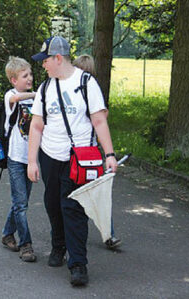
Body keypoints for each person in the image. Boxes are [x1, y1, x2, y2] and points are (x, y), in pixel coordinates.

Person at [28, 36, 118, 286]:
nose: (42, 65)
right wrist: (32, 161)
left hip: (79, 159)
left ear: (58, 58)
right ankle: (59, 245)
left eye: (45, 60)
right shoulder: (46, 88)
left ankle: (78, 263)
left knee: (73, 209)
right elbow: (36, 126)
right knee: (52, 204)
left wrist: (109, 155)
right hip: (49, 156)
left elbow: (100, 121)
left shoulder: (87, 83)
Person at [72, 54, 121, 250]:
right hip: (81, 153)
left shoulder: (91, 91)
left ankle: (109, 234)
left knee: (98, 192)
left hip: (89, 153)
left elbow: (100, 119)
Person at [1, 56, 37, 262]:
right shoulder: (11, 95)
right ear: (14, 80)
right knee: (21, 204)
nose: (29, 78)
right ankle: (26, 245)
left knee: (20, 202)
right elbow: (15, 100)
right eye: (25, 76)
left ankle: (7, 233)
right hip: (15, 158)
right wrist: (38, 95)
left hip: (30, 158)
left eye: (30, 74)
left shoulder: (34, 99)